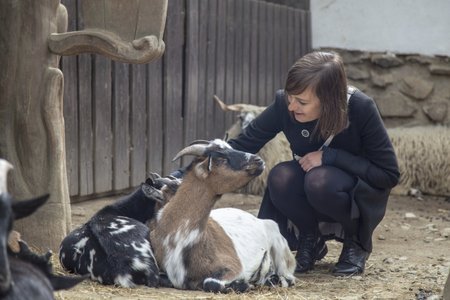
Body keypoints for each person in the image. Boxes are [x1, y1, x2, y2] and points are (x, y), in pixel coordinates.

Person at [226, 51, 400, 276]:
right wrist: (189, 172)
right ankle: (310, 237)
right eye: (290, 97)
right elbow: (243, 144)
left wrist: (331, 157)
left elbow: (388, 174)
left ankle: (355, 242)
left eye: (302, 102)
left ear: (328, 100)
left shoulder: (360, 107)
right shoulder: (284, 104)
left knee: (319, 180)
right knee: (280, 177)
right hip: (311, 183)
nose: (291, 106)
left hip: (352, 189)